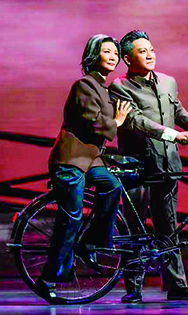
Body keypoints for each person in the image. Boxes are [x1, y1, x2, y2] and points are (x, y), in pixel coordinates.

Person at [108, 30, 188, 303]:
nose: (150, 54)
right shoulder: (119, 87)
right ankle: (134, 287)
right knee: (135, 228)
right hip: (138, 168)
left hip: (168, 164)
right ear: (127, 58)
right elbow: (135, 120)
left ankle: (177, 285)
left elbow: (177, 110)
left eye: (151, 49)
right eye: (142, 51)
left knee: (169, 226)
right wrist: (172, 135)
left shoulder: (168, 81)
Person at [35, 34, 132, 304]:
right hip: (71, 160)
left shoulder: (102, 87)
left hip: (91, 160)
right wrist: (117, 121)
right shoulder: (84, 85)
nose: (113, 56)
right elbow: (94, 122)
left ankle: (91, 243)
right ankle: (48, 279)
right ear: (93, 55)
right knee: (72, 217)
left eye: (115, 53)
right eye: (107, 51)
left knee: (112, 187)